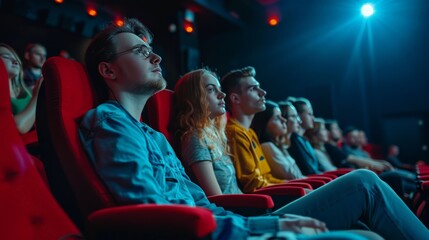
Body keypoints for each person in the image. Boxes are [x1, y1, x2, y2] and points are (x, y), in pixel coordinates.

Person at [78, 19, 428, 239]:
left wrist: (257, 224)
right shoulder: (111, 123)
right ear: (109, 72)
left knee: (364, 219)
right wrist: (266, 226)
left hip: (229, 224)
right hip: (214, 232)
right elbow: (155, 214)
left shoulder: (153, 135)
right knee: (363, 192)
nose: (155, 57)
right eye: (141, 51)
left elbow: (201, 203)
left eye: (153, 51)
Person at [173, 67, 425, 239]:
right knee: (364, 181)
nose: (221, 94)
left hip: (257, 211)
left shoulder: (217, 136)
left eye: (219, 88)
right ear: (195, 97)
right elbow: (217, 200)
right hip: (251, 216)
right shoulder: (195, 138)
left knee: (367, 232)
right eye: (210, 89)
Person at [250, 100, 305, 179]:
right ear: (264, 123)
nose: (284, 120)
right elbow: (292, 177)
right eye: (277, 118)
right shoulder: (267, 146)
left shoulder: (278, 145)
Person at [0, 43, 43, 134]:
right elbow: (17, 127)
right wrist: (37, 96)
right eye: (6, 57)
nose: (15, 62)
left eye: (16, 59)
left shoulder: (26, 91)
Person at [286, 97, 326, 175]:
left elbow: (318, 168)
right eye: (309, 114)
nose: (313, 118)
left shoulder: (303, 140)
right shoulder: (293, 140)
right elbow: (309, 171)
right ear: (298, 115)